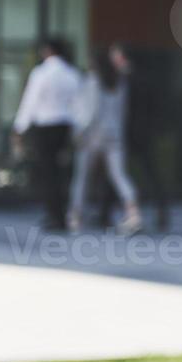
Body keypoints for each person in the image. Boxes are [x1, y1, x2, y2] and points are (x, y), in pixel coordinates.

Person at [93, 43, 169, 232]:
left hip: (125, 132)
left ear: (121, 58)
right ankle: (160, 213)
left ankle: (108, 213)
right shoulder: (145, 77)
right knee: (144, 174)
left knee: (116, 173)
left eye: (114, 55)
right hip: (142, 132)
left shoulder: (120, 79)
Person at [67, 44, 142, 235]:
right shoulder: (118, 81)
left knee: (82, 177)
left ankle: (76, 215)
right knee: (119, 176)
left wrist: (79, 133)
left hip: (93, 135)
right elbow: (123, 112)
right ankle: (133, 213)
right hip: (114, 134)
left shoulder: (93, 81)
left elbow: (91, 113)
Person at [12, 36, 83, 232]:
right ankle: (61, 215)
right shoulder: (72, 74)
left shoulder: (41, 73)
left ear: (47, 51)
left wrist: (19, 127)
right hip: (64, 126)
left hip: (45, 127)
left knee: (48, 173)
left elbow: (30, 102)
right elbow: (78, 105)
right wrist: (78, 130)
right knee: (61, 172)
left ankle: (55, 215)